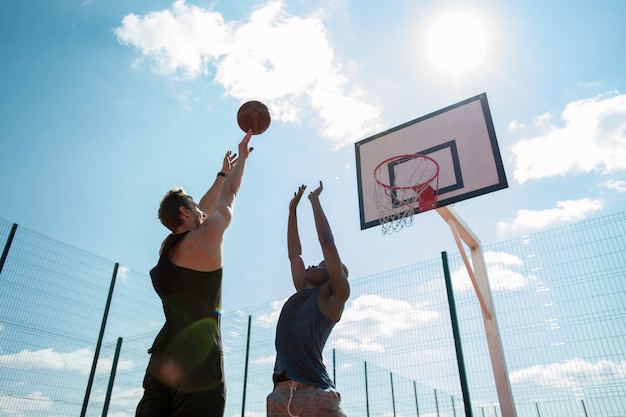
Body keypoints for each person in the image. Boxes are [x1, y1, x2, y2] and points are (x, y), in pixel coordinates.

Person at [135, 130, 253, 417]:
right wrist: (241, 160)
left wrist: (221, 174)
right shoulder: (207, 237)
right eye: (194, 208)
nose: (201, 210)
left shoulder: (166, 248)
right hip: (198, 361)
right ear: (185, 213)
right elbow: (229, 196)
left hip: (162, 360)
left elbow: (203, 207)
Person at [267, 181, 350, 417]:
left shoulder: (331, 302)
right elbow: (294, 253)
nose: (315, 263)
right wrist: (292, 210)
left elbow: (327, 243)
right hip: (280, 395)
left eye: (323, 265)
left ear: (332, 277)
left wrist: (314, 202)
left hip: (314, 392)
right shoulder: (302, 290)